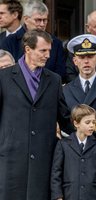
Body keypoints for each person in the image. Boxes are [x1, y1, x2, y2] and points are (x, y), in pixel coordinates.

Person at [0, 29, 71, 200]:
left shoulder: (54, 80)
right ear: (28, 49)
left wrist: (91, 132)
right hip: (10, 159)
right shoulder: (4, 77)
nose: (48, 55)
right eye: (43, 50)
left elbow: (65, 118)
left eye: (49, 50)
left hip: (43, 160)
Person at [51, 104, 96, 200]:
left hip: (92, 195)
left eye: (93, 122)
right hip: (70, 195)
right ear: (76, 124)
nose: (92, 125)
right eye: (87, 122)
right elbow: (56, 173)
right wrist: (58, 197)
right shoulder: (63, 144)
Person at [1, 0, 66, 81]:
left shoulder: (55, 43)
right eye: (38, 20)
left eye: (45, 20)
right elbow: (5, 71)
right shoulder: (9, 41)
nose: (42, 24)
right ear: (26, 19)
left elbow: (60, 73)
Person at [63, 34, 96, 114]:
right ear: (75, 61)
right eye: (81, 57)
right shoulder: (65, 90)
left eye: (90, 57)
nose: (86, 61)